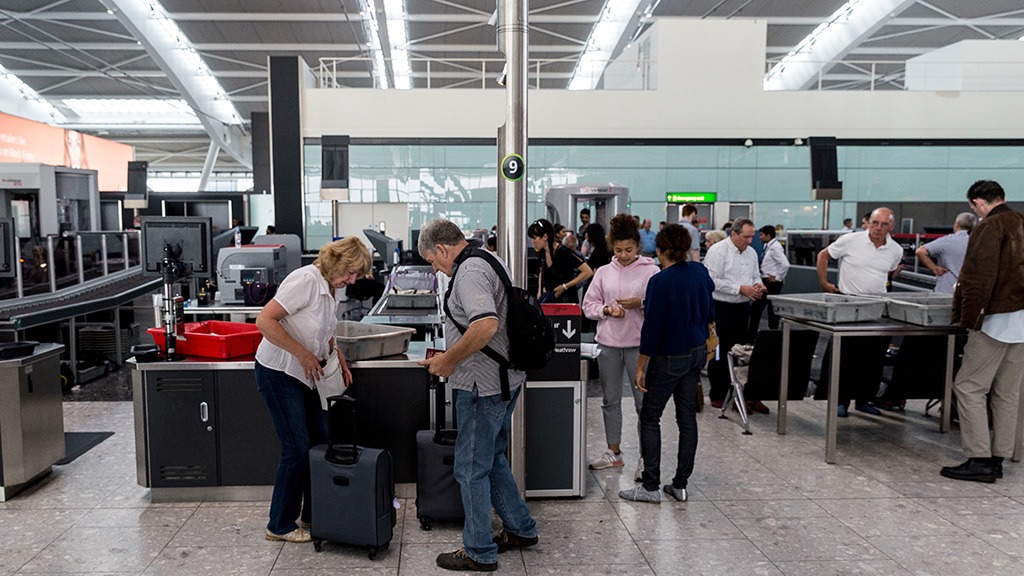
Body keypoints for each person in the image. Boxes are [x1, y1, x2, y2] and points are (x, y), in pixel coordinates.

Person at [416, 219, 538, 571]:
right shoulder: (487, 258)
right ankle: (521, 529)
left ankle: (479, 551)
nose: (435, 267)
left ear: (442, 249)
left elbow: (485, 325)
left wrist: (447, 361)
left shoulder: (468, 271)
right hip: (505, 380)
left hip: (482, 387)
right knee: (492, 458)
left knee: (470, 469)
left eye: (432, 260)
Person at [253, 236, 371, 543]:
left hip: (308, 374)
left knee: (320, 442)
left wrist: (339, 358)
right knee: (296, 447)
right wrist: (302, 354)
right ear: (337, 262)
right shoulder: (305, 280)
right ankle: (278, 525)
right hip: (280, 372)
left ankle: (313, 515)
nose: (352, 279)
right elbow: (264, 320)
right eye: (351, 272)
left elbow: (324, 332)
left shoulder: (329, 287)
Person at [618, 224, 714, 503]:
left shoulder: (660, 281)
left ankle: (650, 487)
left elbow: (653, 328)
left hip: (670, 357)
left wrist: (640, 365)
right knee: (687, 419)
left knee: (650, 417)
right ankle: (680, 485)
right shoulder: (700, 271)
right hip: (696, 353)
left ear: (660, 250)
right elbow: (710, 309)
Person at [940, 181, 1024, 484]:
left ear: (978, 203)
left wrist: (968, 316)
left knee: (969, 387)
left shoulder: (989, 226)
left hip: (996, 320)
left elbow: (979, 275)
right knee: (1008, 392)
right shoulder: (1020, 221)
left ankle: (979, 458)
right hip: (1022, 322)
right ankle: (998, 458)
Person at [581, 214, 659, 481]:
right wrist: (605, 310)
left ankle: (645, 458)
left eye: (628, 250)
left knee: (643, 404)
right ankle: (613, 452)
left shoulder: (652, 271)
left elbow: (661, 308)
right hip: (608, 345)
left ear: (638, 246)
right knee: (609, 400)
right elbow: (588, 306)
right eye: (618, 250)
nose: (623, 255)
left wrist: (642, 304)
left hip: (641, 347)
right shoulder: (603, 272)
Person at [817, 207, 903, 416]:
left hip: (877, 307)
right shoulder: (851, 240)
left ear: (891, 227)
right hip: (849, 305)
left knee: (872, 357)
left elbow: (888, 271)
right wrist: (824, 283)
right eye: (875, 223)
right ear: (868, 223)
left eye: (884, 225)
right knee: (846, 356)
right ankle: (841, 400)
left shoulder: (895, 250)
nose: (878, 228)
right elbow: (823, 255)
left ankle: (864, 399)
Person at [703, 218, 767, 412]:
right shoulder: (718, 251)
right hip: (721, 307)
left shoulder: (751, 253)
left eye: (751, 237)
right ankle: (718, 394)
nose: (749, 241)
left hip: (742, 308)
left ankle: (741, 394)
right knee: (719, 352)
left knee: (742, 351)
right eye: (746, 237)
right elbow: (712, 281)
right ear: (734, 234)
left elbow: (755, 274)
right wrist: (740, 288)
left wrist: (758, 285)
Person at [528, 218, 593, 303]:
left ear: (545, 236)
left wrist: (565, 286)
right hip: (550, 298)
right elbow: (541, 270)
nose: (532, 241)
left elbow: (588, 272)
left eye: (534, 238)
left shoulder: (563, 252)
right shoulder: (542, 252)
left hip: (566, 301)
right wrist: (539, 291)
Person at [914, 212, 976, 294]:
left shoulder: (946, 241)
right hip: (970, 291)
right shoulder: (979, 242)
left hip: (946, 290)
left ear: (956, 225)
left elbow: (920, 251)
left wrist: (934, 268)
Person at [748, 225, 789, 337]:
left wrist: (777, 277)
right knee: (769, 309)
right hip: (766, 281)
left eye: (762, 235)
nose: (760, 237)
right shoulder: (768, 246)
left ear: (768, 235)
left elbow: (785, 264)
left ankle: (755, 334)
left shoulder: (775, 247)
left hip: (771, 283)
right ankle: (770, 333)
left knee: (761, 309)